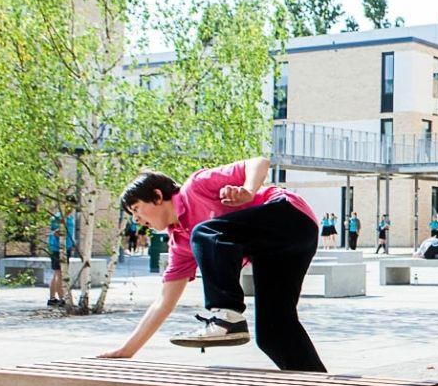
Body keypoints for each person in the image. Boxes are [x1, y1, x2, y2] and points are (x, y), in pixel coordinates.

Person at [99, 156, 326, 372]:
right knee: (273, 333)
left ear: (157, 196)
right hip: (277, 250)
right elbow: (164, 301)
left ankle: (227, 317)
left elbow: (259, 162)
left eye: (136, 209)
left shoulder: (196, 187)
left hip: (290, 215)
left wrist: (247, 191)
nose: (136, 220)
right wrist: (127, 350)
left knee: (204, 231)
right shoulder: (180, 245)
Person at [46, 203, 76, 307]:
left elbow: (70, 232)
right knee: (60, 273)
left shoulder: (70, 217)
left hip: (66, 248)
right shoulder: (57, 217)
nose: (71, 209)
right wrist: (58, 232)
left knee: (57, 274)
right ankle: (62, 299)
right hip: (57, 248)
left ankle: (52, 298)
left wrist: (71, 244)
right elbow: (54, 231)